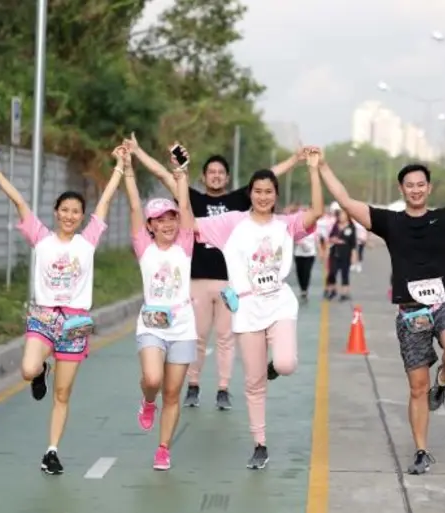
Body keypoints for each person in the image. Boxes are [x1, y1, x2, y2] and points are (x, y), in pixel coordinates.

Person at [318, 159, 445, 475]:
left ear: (428, 188)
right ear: (402, 189)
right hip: (409, 311)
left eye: (421, 184)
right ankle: (421, 451)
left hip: (443, 303)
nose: (415, 189)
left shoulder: (444, 218)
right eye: (409, 185)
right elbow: (346, 201)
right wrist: (322, 166)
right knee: (417, 388)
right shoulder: (389, 222)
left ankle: (442, 382)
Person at [125, 134, 303, 411]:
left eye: (221, 172)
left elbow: (269, 177)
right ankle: (193, 385)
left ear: (228, 177)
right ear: (204, 176)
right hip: (195, 281)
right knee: (197, 336)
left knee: (225, 338)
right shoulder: (191, 199)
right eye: (211, 172)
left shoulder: (238, 200)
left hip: (228, 284)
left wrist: (295, 159)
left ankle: (223, 388)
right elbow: (164, 176)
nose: (216, 176)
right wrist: (137, 152)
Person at [0, 141, 124, 475]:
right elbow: (17, 200)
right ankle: (41, 371)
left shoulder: (87, 242)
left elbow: (105, 201)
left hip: (76, 322)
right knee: (29, 369)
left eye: (77, 212)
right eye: (65, 210)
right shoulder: (41, 238)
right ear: (56, 212)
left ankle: (52, 451)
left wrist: (119, 167)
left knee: (62, 393)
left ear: (81, 217)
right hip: (44, 316)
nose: (71, 216)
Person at [193, 148, 323, 469]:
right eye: (258, 191)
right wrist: (180, 179)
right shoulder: (230, 223)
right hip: (248, 309)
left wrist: (313, 169)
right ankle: (260, 444)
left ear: (276, 195)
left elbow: (317, 210)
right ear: (249, 194)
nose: (263, 196)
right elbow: (188, 222)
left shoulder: (286, 225)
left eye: (269, 191)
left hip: (279, 302)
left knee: (286, 362)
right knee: (253, 383)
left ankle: (274, 366)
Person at [123, 143, 196, 471]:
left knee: (173, 391)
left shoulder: (184, 244)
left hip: (182, 326)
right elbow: (135, 205)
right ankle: (146, 401)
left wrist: (181, 172)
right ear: (150, 225)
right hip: (152, 323)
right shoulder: (143, 246)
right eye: (159, 220)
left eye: (172, 218)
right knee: (152, 379)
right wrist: (128, 167)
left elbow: (185, 201)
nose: (167, 223)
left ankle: (163, 448)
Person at [324, 207, 357, 301]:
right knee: (332, 272)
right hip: (334, 252)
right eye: (340, 215)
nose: (341, 217)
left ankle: (344, 293)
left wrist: (354, 255)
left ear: (347, 216)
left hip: (345, 253)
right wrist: (334, 239)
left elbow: (353, 243)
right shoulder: (335, 225)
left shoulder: (351, 227)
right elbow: (330, 236)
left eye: (343, 215)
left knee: (345, 273)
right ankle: (332, 290)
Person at [290, 204, 318, 302]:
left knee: (307, 272)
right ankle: (302, 288)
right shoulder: (298, 227)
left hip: (310, 254)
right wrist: (300, 243)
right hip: (299, 254)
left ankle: (305, 290)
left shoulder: (315, 227)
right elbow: (293, 237)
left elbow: (318, 239)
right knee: (299, 272)